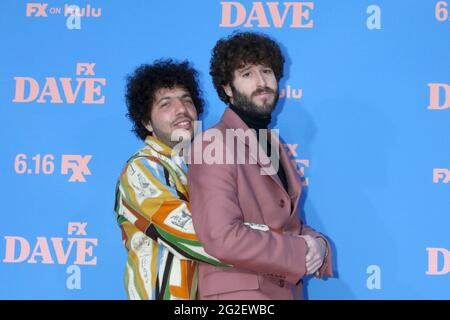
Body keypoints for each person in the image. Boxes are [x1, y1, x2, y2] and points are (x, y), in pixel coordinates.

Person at [188, 31, 333, 300]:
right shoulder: (213, 144)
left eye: (266, 71)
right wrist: (299, 251)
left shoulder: (274, 144)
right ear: (227, 89)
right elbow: (222, 237)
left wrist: (320, 247)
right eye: (247, 74)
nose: (261, 82)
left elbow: (288, 227)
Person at [114, 59, 229, 300]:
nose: (181, 109)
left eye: (187, 100)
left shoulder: (203, 166)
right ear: (147, 123)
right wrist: (275, 246)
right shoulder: (141, 169)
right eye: (166, 103)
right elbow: (192, 234)